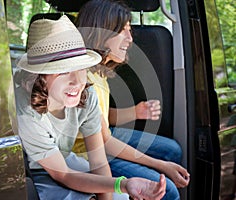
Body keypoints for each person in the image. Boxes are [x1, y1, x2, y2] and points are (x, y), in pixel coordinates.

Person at [14, 15, 166, 200]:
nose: (78, 82)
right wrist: (123, 184)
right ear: (38, 76)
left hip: (64, 157)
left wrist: (116, 191)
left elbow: (99, 162)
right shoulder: (25, 112)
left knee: (119, 196)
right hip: (34, 169)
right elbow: (63, 174)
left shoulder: (86, 94)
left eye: (81, 68)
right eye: (63, 71)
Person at [72, 0, 190, 199]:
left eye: (130, 30)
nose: (130, 38)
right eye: (122, 31)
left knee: (172, 150)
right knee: (168, 190)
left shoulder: (99, 72)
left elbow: (104, 117)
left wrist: (137, 111)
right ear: (101, 33)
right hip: (87, 153)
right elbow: (104, 141)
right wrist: (161, 166)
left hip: (103, 138)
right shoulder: (84, 79)